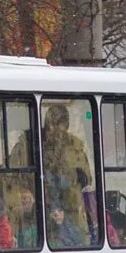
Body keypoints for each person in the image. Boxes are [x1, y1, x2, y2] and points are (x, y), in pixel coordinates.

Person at [41, 104, 95, 244]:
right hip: (47, 210)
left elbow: (86, 179)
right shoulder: (37, 145)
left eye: (57, 124)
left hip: (72, 210)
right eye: (50, 125)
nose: (52, 129)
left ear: (65, 125)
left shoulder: (75, 147)